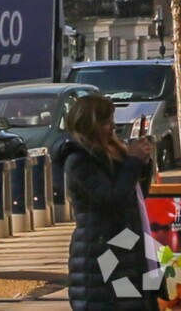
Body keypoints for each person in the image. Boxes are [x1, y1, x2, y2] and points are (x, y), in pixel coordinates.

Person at [61, 92, 156, 310]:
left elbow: (135, 194)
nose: (112, 127)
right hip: (103, 251)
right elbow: (111, 199)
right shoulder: (80, 160)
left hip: (127, 245)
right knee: (114, 302)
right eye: (105, 122)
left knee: (135, 301)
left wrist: (143, 164)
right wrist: (133, 162)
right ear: (89, 124)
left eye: (112, 120)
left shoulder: (115, 151)